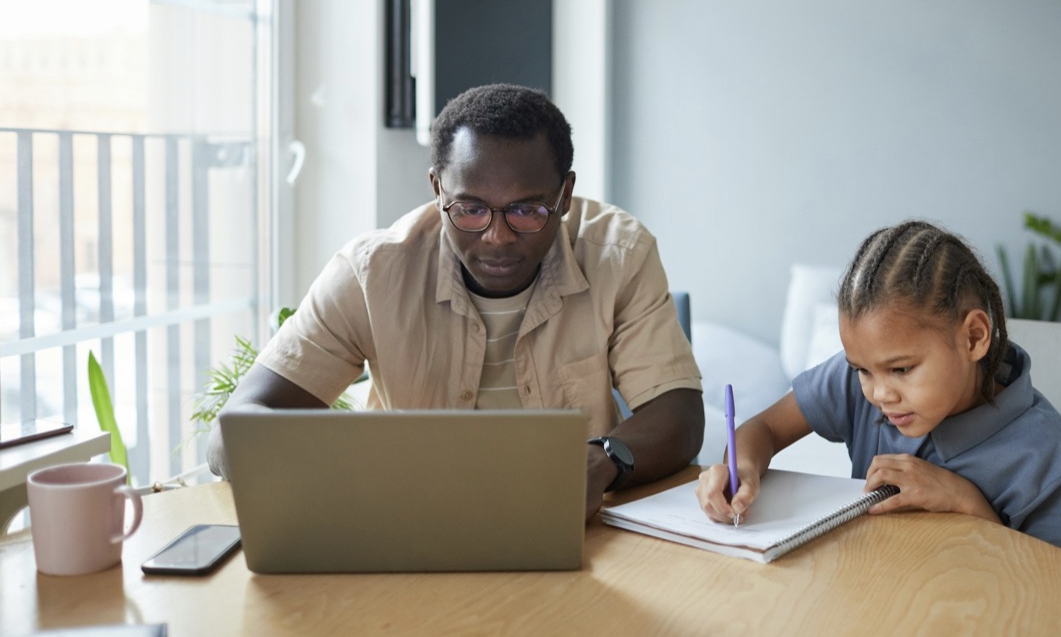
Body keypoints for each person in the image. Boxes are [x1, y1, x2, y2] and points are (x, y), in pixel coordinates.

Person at [208, 83, 704, 519]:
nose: (497, 237)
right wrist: (352, 474)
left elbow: (679, 415)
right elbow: (232, 434)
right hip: (406, 528)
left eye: (527, 210)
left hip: (575, 531)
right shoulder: (371, 273)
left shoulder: (619, 253)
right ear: (437, 188)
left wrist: (603, 461)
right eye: (469, 208)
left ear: (565, 194)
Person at [696, 220, 1061, 559]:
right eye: (862, 370)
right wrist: (742, 468)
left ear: (974, 337)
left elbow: (1056, 598)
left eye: (902, 369)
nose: (879, 395)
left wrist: (964, 502)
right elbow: (763, 429)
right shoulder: (864, 380)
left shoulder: (1050, 459)